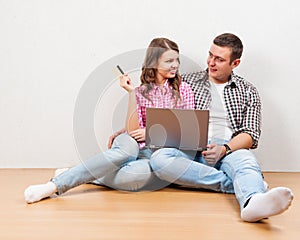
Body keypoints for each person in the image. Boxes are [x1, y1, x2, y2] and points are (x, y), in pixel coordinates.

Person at [24, 37, 195, 203]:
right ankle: (54, 185)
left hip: (156, 153)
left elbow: (189, 132)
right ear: (154, 63)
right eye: (169, 61)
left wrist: (152, 133)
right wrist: (131, 93)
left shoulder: (184, 90)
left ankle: (83, 174)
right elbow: (133, 130)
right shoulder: (141, 91)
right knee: (126, 152)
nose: (175, 65)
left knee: (137, 177)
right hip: (133, 142)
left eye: (176, 60)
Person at [149, 33, 294, 222]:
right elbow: (157, 105)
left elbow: (251, 134)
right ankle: (240, 186)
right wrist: (136, 126)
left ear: (235, 64)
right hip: (191, 148)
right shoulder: (185, 82)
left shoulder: (247, 90)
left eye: (219, 59)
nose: (211, 62)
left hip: (229, 147)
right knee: (159, 159)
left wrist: (224, 150)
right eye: (210, 55)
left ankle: (252, 204)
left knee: (247, 163)